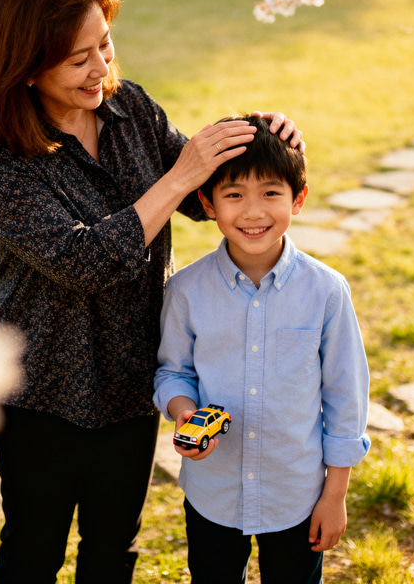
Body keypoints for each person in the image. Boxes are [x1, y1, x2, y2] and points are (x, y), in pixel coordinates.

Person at [0, 0, 303, 584]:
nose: (101, 68)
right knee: (33, 552)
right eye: (78, 59)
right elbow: (83, 261)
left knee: (113, 550)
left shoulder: (131, 109)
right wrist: (178, 177)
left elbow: (202, 197)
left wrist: (262, 139)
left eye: (105, 43)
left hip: (131, 380)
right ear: (26, 65)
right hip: (41, 393)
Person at [153, 115, 370, 584]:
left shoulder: (326, 291)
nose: (253, 212)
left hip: (296, 494)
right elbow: (173, 372)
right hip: (213, 493)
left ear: (299, 199)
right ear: (207, 203)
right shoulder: (186, 290)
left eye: (271, 193)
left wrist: (335, 495)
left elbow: (345, 398)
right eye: (234, 195)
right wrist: (184, 411)